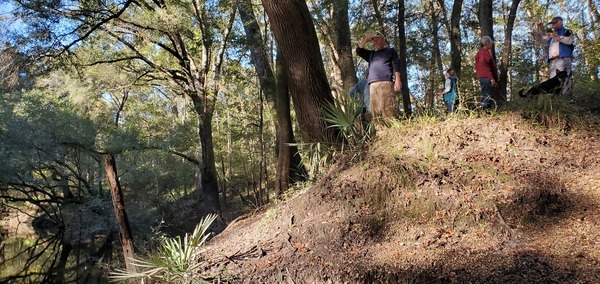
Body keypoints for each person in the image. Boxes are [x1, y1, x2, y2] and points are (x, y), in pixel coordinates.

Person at [356, 32, 402, 119]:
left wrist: (398, 80)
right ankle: (379, 130)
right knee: (375, 111)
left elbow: (396, 64)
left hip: (386, 83)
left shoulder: (390, 51)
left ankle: (389, 130)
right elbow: (359, 50)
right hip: (372, 85)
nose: (375, 42)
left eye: (377, 39)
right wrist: (366, 38)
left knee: (387, 109)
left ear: (383, 40)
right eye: (374, 41)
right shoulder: (371, 54)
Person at [534, 16, 575, 94]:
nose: (553, 25)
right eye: (552, 24)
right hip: (553, 62)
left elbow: (569, 41)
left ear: (560, 22)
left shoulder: (566, 31)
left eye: (555, 23)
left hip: (563, 59)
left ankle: (566, 100)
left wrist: (557, 37)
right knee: (553, 83)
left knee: (565, 81)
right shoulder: (551, 36)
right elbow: (541, 40)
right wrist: (539, 29)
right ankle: (556, 101)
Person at [474, 36, 499, 110]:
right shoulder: (483, 53)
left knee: (487, 95)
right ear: (487, 43)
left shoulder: (482, 53)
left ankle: (487, 112)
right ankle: (485, 112)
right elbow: (484, 66)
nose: (491, 44)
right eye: (490, 42)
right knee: (487, 96)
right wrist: (491, 78)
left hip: (484, 77)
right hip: (486, 78)